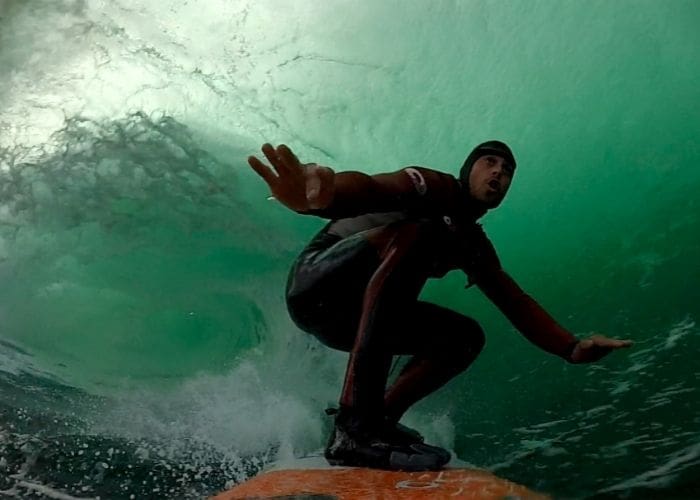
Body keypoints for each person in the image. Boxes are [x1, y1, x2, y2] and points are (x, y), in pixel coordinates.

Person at [247, 141, 633, 471]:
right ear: (468, 170)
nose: (499, 173)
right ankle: (355, 427)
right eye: (489, 162)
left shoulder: (472, 242)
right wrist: (319, 196)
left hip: (352, 320)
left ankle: (379, 423)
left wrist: (572, 348)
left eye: (508, 170)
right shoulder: (432, 188)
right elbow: (371, 188)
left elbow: (514, 302)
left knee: (464, 337)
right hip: (315, 284)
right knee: (422, 233)